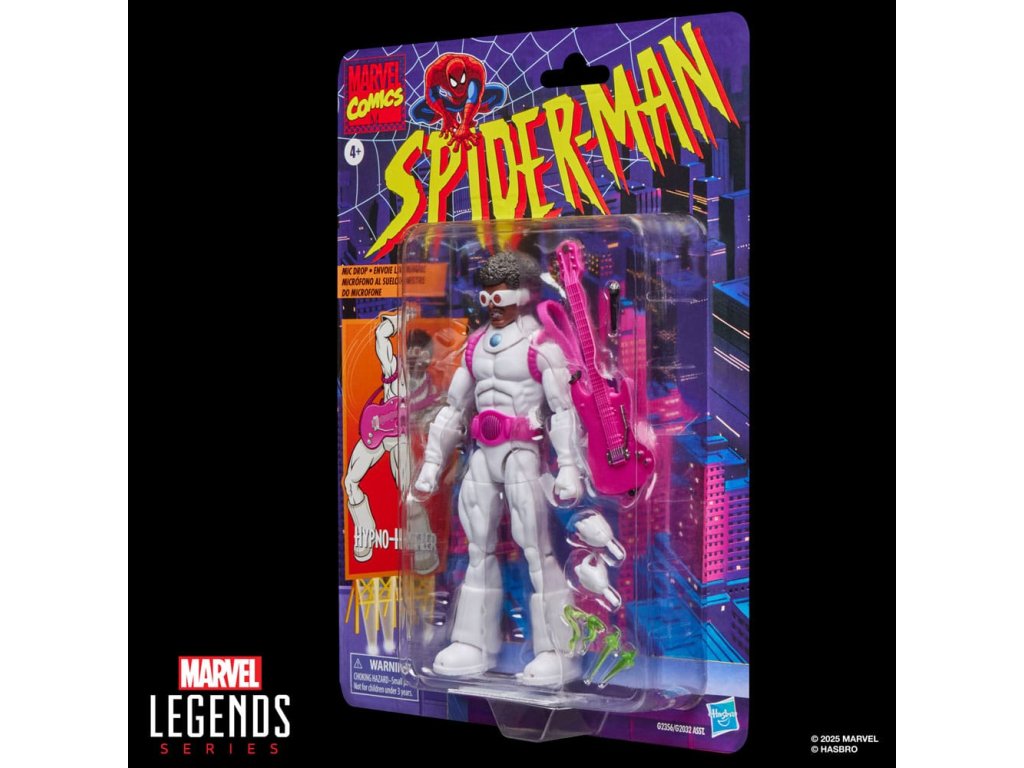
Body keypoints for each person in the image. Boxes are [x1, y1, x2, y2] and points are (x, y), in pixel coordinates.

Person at [412, 251, 582, 686]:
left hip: (523, 451)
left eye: (501, 296)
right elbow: (454, 408)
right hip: (483, 454)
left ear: (523, 295)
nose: (493, 305)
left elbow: (563, 410)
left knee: (536, 548)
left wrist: (568, 467)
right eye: (487, 296)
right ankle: (473, 643)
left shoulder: (541, 346)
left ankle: (558, 650)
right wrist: (432, 465)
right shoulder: (474, 347)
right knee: (478, 547)